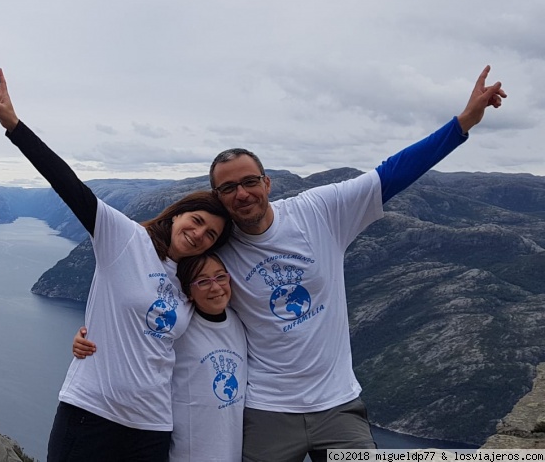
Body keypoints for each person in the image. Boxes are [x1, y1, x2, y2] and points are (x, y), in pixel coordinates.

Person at [207, 65, 506, 462]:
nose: (241, 194)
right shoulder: (216, 243)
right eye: (228, 188)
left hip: (337, 404)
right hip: (265, 406)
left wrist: (463, 122)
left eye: (248, 182)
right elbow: (156, 269)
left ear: (267, 183)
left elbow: (394, 173)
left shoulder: (318, 211)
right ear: (217, 196)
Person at [0, 68, 233, 462]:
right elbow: (70, 185)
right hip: (90, 411)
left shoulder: (192, 284)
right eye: (197, 221)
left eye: (211, 234)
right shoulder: (126, 239)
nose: (200, 234)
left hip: (151, 426)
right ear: (179, 215)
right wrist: (14, 126)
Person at [74, 252, 248, 461]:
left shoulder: (238, 322)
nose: (216, 287)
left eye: (221, 277)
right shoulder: (179, 328)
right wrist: (85, 339)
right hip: (185, 452)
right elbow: (129, 341)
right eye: (202, 281)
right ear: (188, 291)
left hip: (230, 450)